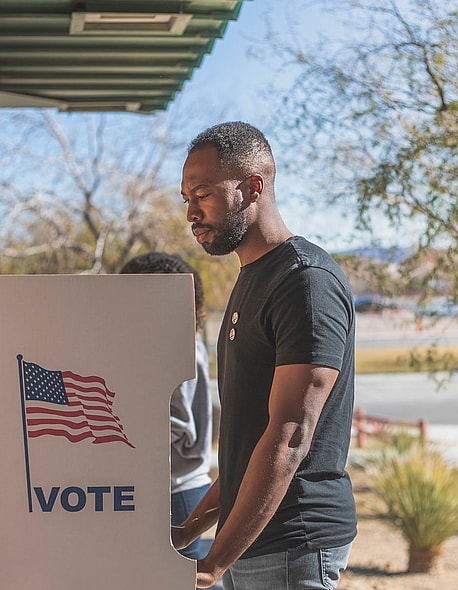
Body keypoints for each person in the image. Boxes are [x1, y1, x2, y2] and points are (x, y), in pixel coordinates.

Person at [171, 121, 357, 589]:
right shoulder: (252, 278)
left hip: (293, 544)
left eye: (204, 194)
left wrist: (214, 562)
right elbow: (247, 441)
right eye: (187, 199)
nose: (192, 212)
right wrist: (191, 530)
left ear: (253, 187)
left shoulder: (304, 282)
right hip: (246, 542)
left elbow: (290, 436)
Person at [118, 252, 215, 563]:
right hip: (177, 488)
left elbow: (179, 425)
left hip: (177, 492)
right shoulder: (174, 342)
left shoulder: (179, 347)